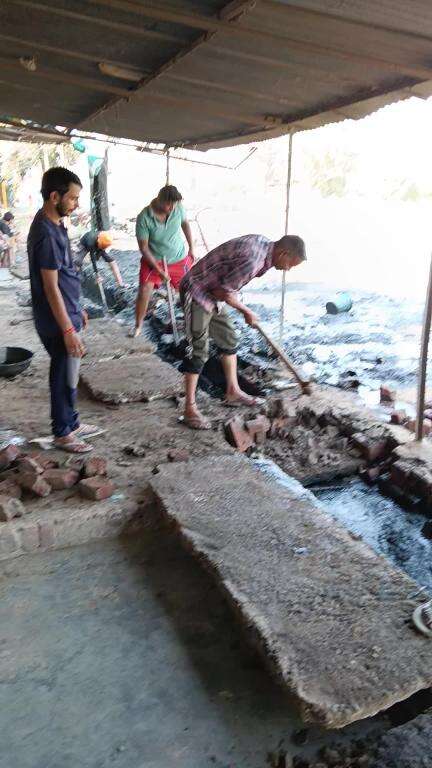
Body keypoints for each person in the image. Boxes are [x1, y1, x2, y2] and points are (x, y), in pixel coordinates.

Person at [179, 233, 306, 429]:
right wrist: (246, 311)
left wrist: (237, 303)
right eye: (291, 264)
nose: (287, 269)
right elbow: (224, 292)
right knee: (198, 351)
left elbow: (226, 287)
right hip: (197, 290)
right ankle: (189, 409)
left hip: (212, 292)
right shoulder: (253, 261)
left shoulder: (264, 246)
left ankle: (233, 391)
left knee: (229, 339)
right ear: (284, 253)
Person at [27, 167, 102, 453]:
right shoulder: (45, 233)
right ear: (54, 196)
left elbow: (66, 274)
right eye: (72, 198)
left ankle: (72, 422)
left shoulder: (55, 221)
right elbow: (50, 287)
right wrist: (68, 329)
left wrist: (77, 308)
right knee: (61, 373)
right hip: (55, 320)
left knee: (70, 371)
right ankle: (62, 432)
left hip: (68, 312)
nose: (77, 204)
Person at [133, 184, 194, 337]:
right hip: (154, 259)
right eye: (168, 204)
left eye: (174, 204)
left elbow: (185, 224)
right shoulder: (144, 217)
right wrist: (159, 271)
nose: (171, 208)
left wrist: (191, 247)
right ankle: (138, 326)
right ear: (159, 199)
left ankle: (192, 327)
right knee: (145, 290)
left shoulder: (178, 207)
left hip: (179, 257)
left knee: (189, 292)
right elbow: (144, 248)